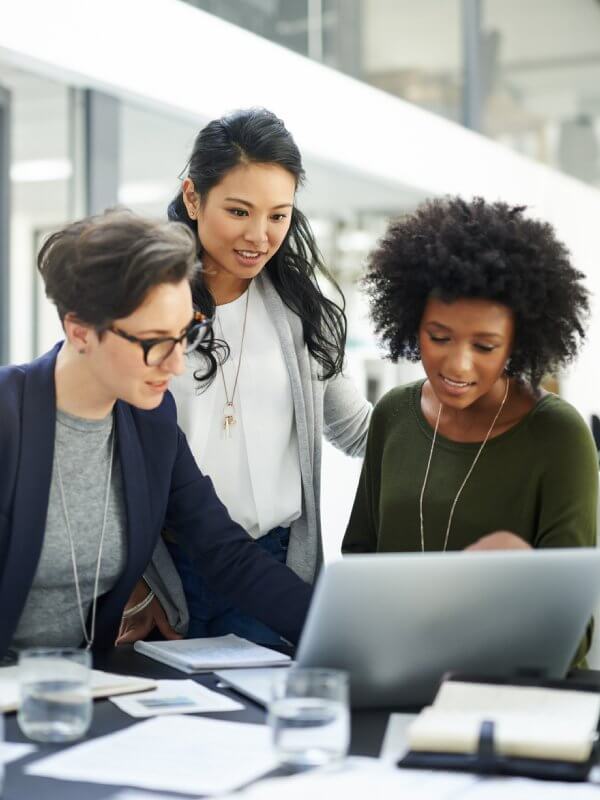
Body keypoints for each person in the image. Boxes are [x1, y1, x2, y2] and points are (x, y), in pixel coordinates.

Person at [0, 210, 312, 659]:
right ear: (80, 331)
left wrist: (340, 631)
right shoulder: (9, 418)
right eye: (154, 343)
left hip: (86, 689)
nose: (176, 364)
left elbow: (224, 553)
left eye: (184, 336)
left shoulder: (150, 421)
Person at [133, 108, 371, 645]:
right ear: (193, 198)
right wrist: (132, 585)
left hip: (275, 568)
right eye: (239, 211)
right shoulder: (146, 307)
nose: (260, 236)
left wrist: (461, 421)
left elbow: (356, 431)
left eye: (278, 216)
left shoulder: (305, 309)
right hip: (167, 573)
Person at [343, 197, 598, 666]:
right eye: (439, 337)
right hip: (398, 676)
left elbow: (573, 628)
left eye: (485, 345)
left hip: (513, 694)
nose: (458, 365)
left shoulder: (559, 437)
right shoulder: (394, 415)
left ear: (518, 343)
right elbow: (359, 563)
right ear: (411, 324)